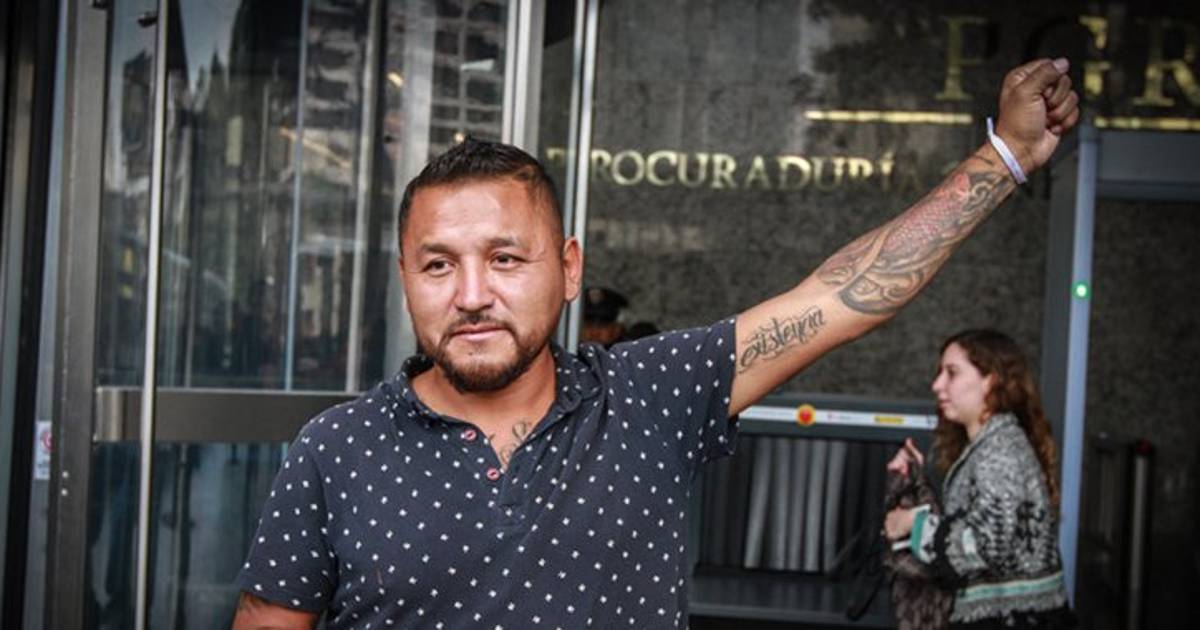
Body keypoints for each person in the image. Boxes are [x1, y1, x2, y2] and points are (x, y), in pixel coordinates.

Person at [232, 58, 1079, 629]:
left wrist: (1005, 156)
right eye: (437, 264)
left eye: (506, 259)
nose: (473, 293)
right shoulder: (336, 449)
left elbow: (842, 296)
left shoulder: (650, 394)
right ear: (404, 277)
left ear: (569, 269)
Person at [883, 330, 1073, 628]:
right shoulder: (992, 445)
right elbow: (977, 527)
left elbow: (986, 546)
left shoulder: (1000, 451)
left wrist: (912, 523)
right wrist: (914, 485)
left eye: (952, 373)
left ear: (990, 381)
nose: (937, 385)